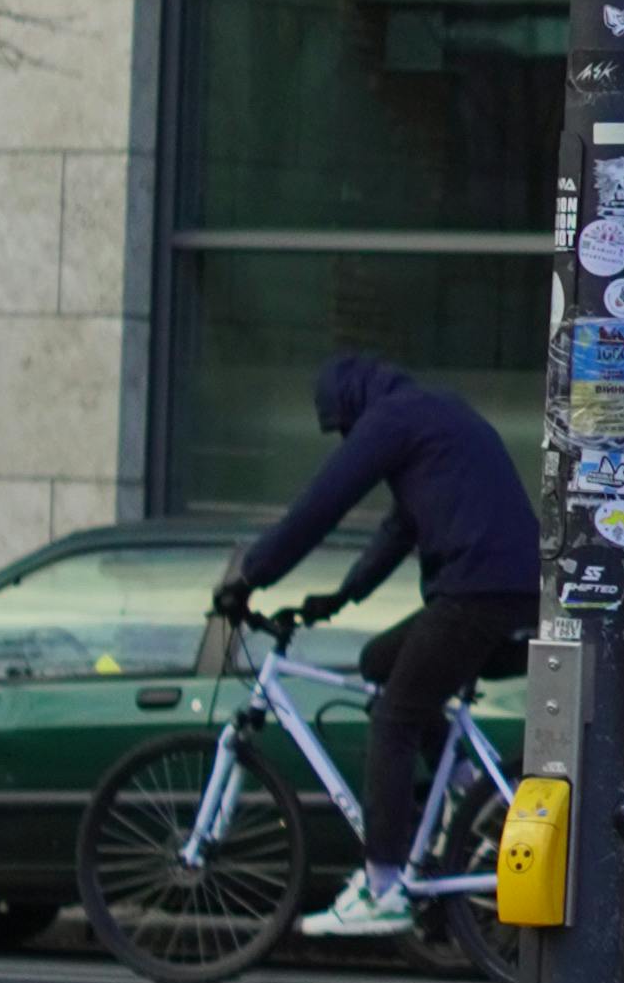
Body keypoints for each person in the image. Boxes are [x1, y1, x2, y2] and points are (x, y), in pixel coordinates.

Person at [221, 352, 541, 937]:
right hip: (512, 591)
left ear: (349, 405)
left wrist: (251, 574)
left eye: (341, 428)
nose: (345, 438)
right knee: (379, 664)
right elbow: (400, 529)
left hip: (476, 593)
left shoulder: (391, 419)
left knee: (395, 718)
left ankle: (383, 884)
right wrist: (339, 600)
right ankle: (468, 792)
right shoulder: (435, 412)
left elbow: (322, 503)